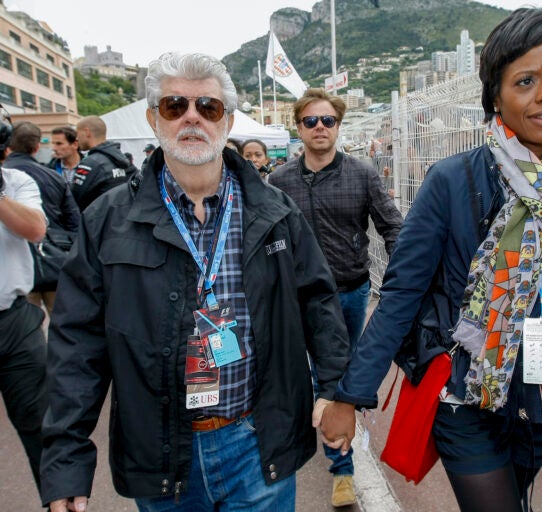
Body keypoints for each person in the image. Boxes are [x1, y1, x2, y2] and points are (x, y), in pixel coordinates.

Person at [320, 9, 542, 512]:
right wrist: (351, 395)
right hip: (466, 391)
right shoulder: (451, 180)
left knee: (518, 496)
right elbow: (402, 294)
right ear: (495, 95)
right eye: (526, 81)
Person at [40, 52, 353, 512]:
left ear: (226, 121)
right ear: (153, 118)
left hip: (256, 444)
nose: (191, 117)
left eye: (207, 107)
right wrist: (65, 459)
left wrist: (334, 391)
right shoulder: (107, 220)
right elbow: (77, 343)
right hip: (162, 452)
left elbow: (319, 304)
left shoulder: (276, 212)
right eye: (174, 106)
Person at [270, 87, 403, 508]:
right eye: (311, 121)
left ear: (339, 125)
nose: (320, 128)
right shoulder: (279, 182)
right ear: (299, 127)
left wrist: (402, 283)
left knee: (341, 379)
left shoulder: (362, 174)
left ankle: (341, 469)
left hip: (349, 293)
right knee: (308, 378)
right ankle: (326, 446)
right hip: (296, 299)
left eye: (327, 120)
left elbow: (393, 228)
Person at [0, 110, 49, 495]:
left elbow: (34, 228)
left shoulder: (16, 182)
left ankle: (57, 499)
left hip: (13, 320)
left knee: (38, 421)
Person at [4, 122, 80, 313]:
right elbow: (74, 223)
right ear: (37, 147)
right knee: (62, 324)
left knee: (27, 325)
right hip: (53, 260)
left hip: (14, 271)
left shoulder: (9, 178)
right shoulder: (53, 176)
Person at [71, 116, 131, 210]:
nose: (77, 139)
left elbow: (75, 200)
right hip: (117, 216)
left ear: (87, 132)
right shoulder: (120, 159)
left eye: (77, 134)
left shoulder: (90, 163)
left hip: (96, 219)